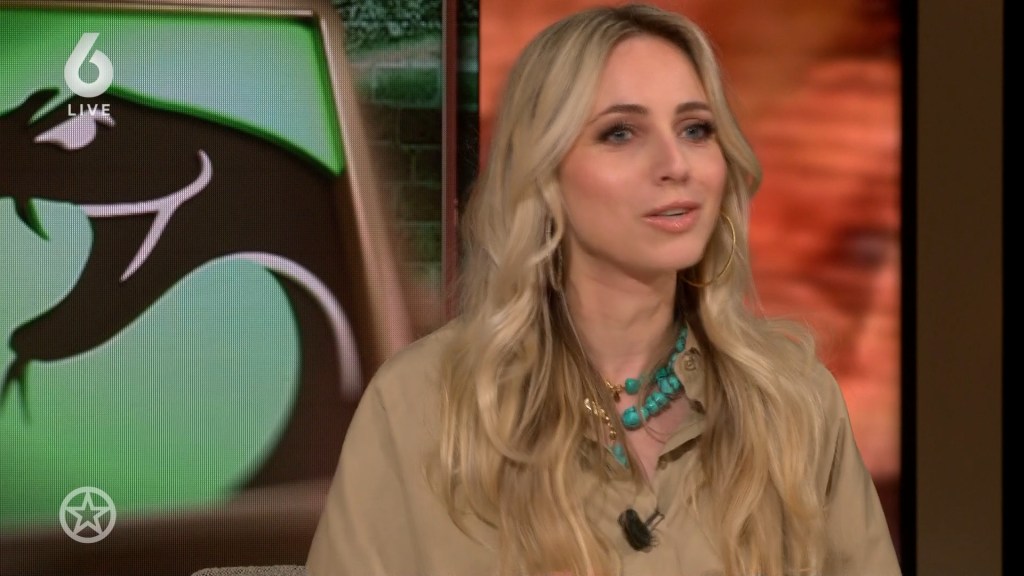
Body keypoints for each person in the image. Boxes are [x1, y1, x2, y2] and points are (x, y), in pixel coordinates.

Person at [305, 4, 902, 575]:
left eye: (696, 129)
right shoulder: (420, 406)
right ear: (544, 172)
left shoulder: (797, 406)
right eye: (620, 133)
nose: (676, 164)